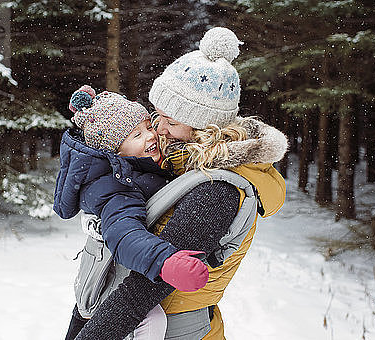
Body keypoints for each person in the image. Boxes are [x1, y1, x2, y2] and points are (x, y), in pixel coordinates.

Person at [71, 27, 288, 340]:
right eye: (157, 116)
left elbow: (142, 292)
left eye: (171, 121)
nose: (158, 128)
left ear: (204, 127)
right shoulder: (181, 165)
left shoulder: (216, 191)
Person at [53, 87, 210, 340]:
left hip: (118, 277)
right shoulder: (117, 187)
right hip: (109, 284)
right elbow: (124, 234)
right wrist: (165, 262)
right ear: (116, 152)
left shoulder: (142, 170)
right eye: (136, 135)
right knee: (152, 319)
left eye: (148, 126)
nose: (151, 136)